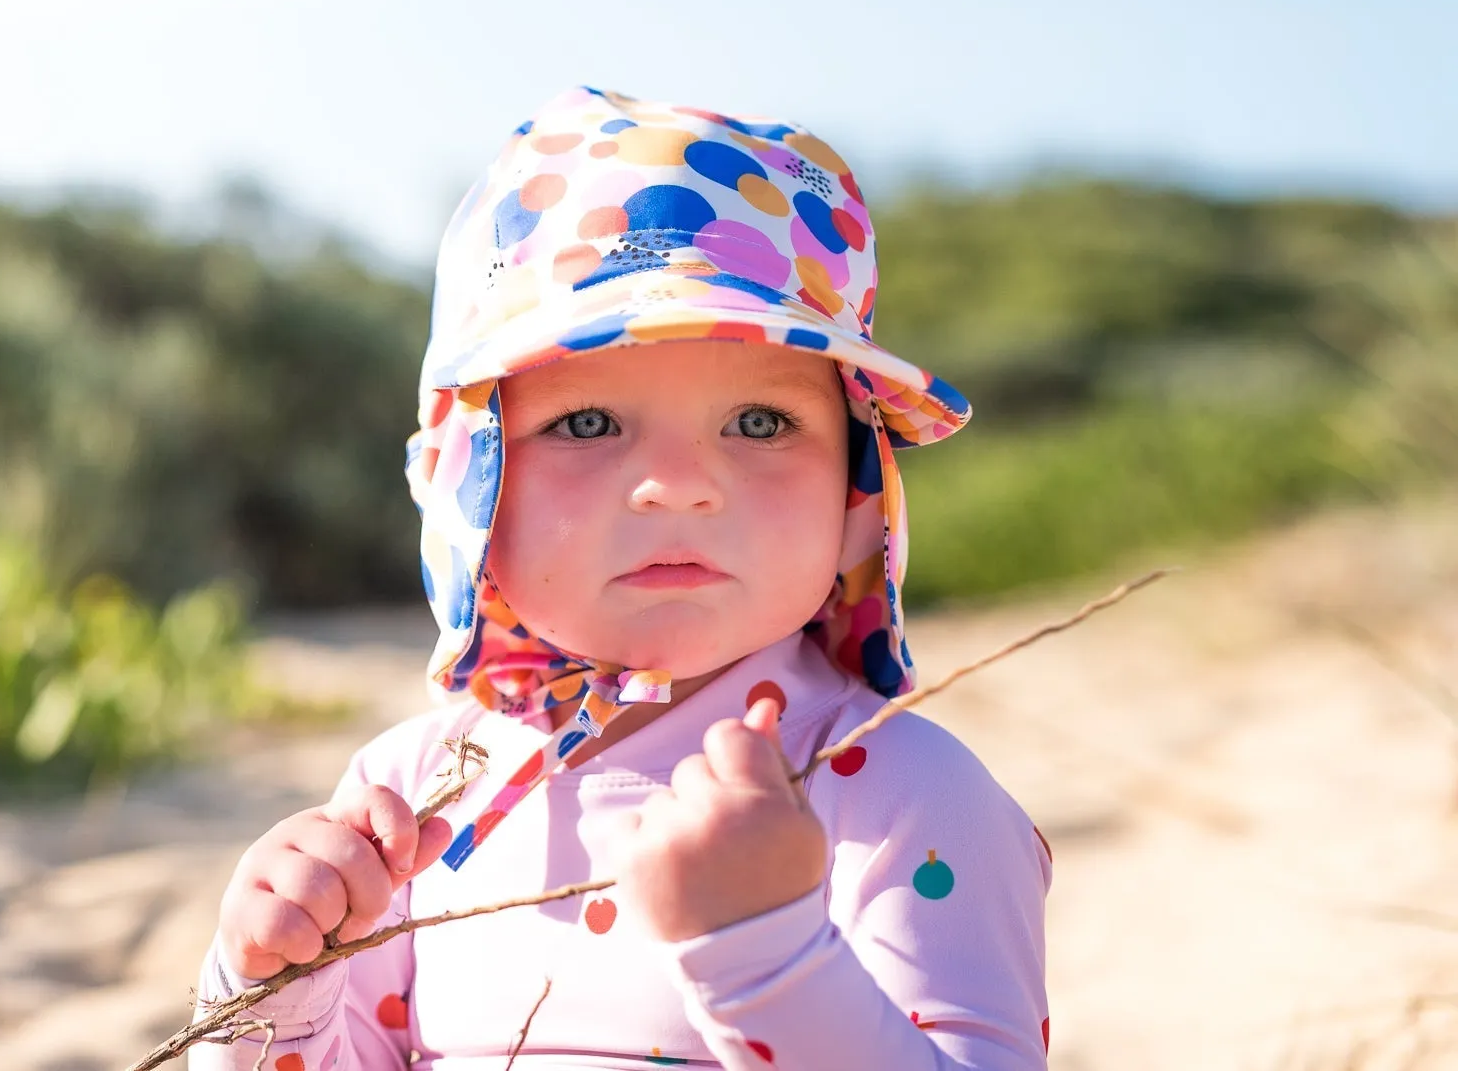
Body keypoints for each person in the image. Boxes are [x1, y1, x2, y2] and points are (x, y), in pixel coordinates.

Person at [192, 86, 1051, 1069]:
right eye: (586, 423)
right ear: (468, 487)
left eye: (760, 422)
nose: (677, 486)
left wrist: (765, 951)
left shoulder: (900, 791)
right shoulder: (414, 793)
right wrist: (270, 983)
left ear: (857, 492)